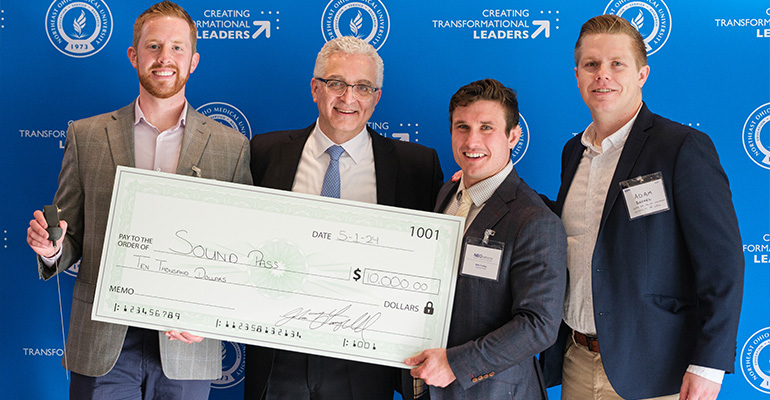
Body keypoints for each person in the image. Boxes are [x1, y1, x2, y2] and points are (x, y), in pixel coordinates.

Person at [26, 1, 252, 398]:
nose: (165, 58)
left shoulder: (230, 146)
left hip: (186, 345)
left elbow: (241, 250)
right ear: (134, 56)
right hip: (105, 342)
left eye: (177, 48)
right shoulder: (87, 136)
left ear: (194, 60)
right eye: (153, 47)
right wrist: (51, 248)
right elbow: (70, 237)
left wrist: (213, 314)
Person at [539, 14, 744, 400]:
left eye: (617, 63)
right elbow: (584, 228)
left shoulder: (681, 148)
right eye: (591, 64)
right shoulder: (573, 152)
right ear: (578, 74)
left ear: (642, 74)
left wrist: (709, 365)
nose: (603, 74)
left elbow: (723, 261)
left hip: (657, 370)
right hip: (578, 362)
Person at [244, 36, 444, 400]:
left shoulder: (417, 167)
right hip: (279, 352)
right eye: (336, 83)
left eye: (363, 87)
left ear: (376, 96)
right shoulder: (265, 153)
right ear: (315, 89)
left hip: (365, 359)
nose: (348, 98)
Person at [401, 78, 567, 399]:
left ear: (513, 136)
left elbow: (539, 325)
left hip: (491, 390)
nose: (471, 140)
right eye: (462, 127)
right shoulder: (447, 193)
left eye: (487, 127)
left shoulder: (534, 219)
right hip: (425, 385)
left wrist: (456, 364)